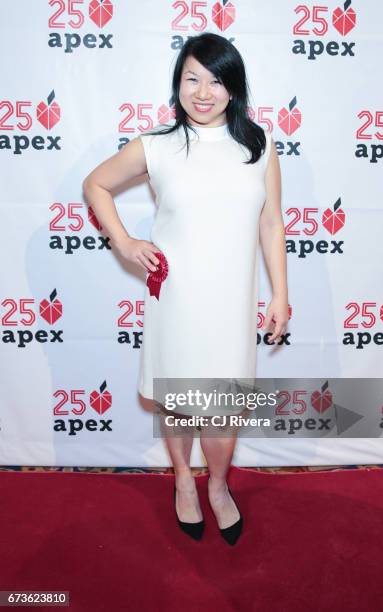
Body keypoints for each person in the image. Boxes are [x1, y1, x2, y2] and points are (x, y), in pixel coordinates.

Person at [83, 32, 288, 546]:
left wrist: (280, 294)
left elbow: (272, 224)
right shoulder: (158, 146)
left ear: (234, 88)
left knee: (223, 408)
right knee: (177, 401)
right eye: (192, 78)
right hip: (175, 300)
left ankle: (217, 486)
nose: (203, 91)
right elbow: (96, 185)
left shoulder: (257, 146)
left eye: (216, 80)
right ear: (177, 84)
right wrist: (124, 240)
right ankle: (182, 480)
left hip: (232, 304)